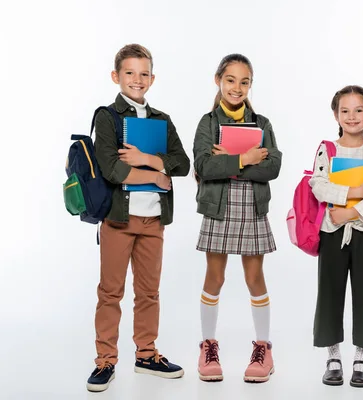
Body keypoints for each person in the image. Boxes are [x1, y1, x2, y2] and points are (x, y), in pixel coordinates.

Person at [86, 43, 190, 392]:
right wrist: (158, 175)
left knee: (149, 292)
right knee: (110, 292)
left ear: (153, 78)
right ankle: (105, 360)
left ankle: (146, 354)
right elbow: (113, 170)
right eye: (129, 72)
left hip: (153, 220)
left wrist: (147, 159)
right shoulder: (108, 116)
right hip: (118, 218)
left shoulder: (162, 119)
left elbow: (183, 163)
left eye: (144, 73)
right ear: (116, 76)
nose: (137, 79)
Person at [192, 53, 282, 383]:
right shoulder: (208, 123)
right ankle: (208, 345)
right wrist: (245, 158)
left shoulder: (263, 124)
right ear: (219, 80)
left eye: (245, 81)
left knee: (254, 278)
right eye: (231, 80)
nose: (237, 87)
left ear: (250, 85)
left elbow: (272, 167)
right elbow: (202, 166)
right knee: (214, 277)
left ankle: (263, 347)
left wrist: (228, 162)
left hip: (252, 209)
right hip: (219, 208)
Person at [309, 85, 363, 388]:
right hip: (332, 232)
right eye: (345, 110)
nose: (352, 116)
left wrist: (351, 213)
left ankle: (362, 357)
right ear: (336, 114)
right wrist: (353, 193)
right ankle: (332, 357)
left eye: (359, 110)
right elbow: (318, 184)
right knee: (330, 291)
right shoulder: (327, 151)